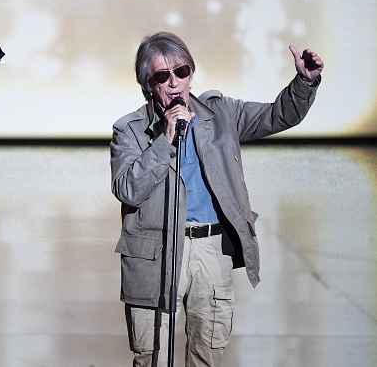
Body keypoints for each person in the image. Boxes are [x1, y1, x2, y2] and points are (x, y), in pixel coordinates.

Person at [110, 31, 323, 367]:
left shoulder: (221, 114)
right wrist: (165, 139)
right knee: (153, 356)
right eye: (163, 76)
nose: (175, 82)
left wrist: (304, 83)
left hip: (212, 249)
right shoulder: (131, 130)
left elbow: (278, 115)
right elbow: (127, 189)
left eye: (182, 71)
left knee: (207, 353)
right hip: (159, 252)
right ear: (148, 83)